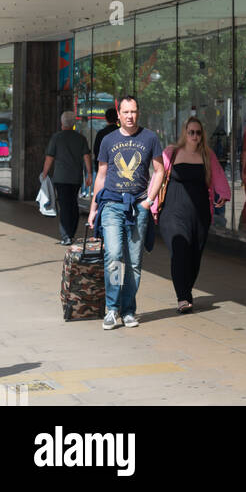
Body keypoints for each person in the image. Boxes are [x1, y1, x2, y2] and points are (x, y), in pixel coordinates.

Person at [88, 95, 164, 330]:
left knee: (133, 262)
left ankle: (128, 309)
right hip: (111, 204)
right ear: (118, 115)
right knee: (113, 255)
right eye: (126, 112)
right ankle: (112, 309)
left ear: (138, 113)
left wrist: (149, 201)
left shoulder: (150, 137)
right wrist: (93, 208)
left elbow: (160, 171)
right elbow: (100, 176)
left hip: (138, 205)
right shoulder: (108, 140)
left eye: (134, 112)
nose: (130, 116)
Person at [154, 116, 230, 313]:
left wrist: (224, 194)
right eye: (191, 132)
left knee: (195, 255)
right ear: (184, 133)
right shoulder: (171, 152)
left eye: (198, 132)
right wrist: (150, 203)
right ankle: (183, 297)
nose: (195, 136)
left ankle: (186, 290)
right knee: (180, 250)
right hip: (173, 212)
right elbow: (157, 176)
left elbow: (219, 175)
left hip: (199, 213)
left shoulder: (207, 155)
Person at [42, 110, 93, 246]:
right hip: (76, 178)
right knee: (73, 204)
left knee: (64, 205)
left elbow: (49, 157)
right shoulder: (80, 138)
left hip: (61, 177)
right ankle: (71, 233)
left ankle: (66, 236)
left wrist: (44, 172)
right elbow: (87, 157)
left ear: (61, 123)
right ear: (74, 124)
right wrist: (89, 174)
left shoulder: (56, 137)